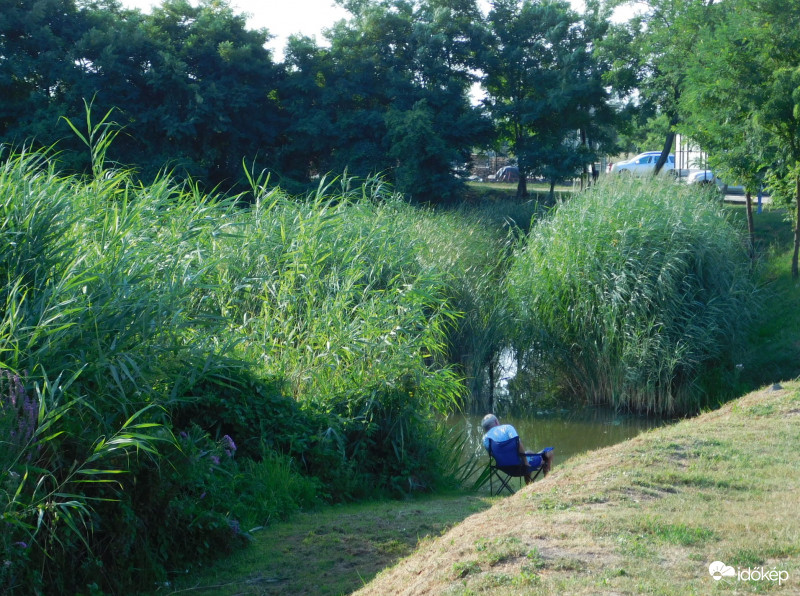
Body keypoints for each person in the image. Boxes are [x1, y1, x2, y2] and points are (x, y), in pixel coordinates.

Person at [481, 413, 553, 483]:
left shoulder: (485, 439)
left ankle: (528, 484)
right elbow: (519, 444)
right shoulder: (507, 428)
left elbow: (492, 455)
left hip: (505, 468)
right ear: (496, 422)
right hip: (521, 466)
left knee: (529, 452)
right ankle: (546, 478)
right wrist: (526, 463)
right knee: (549, 451)